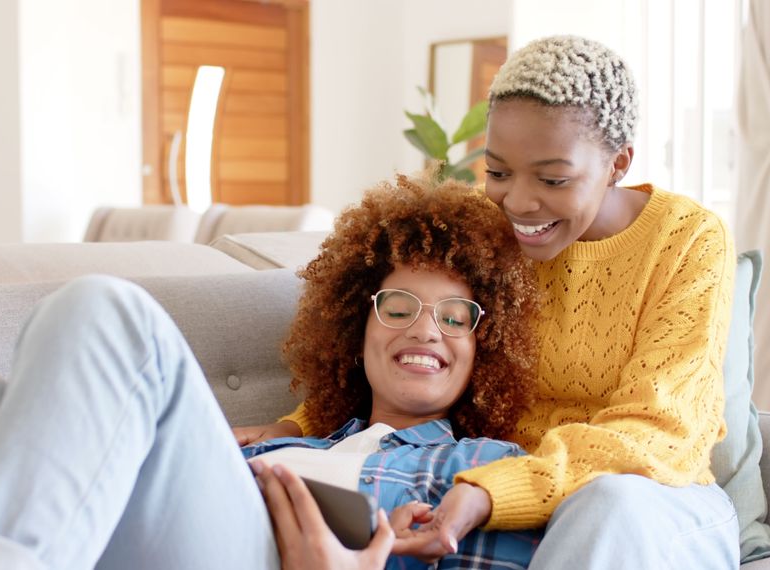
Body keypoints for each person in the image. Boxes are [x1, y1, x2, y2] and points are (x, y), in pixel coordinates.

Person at [0, 174, 541, 569]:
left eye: (455, 317)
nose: (424, 330)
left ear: (486, 349)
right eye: (400, 304)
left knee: (112, 314)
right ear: (358, 323)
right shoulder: (294, 440)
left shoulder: (485, 471)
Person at [236, 35, 741, 569]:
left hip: (652, 496)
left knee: (605, 504)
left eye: (552, 178)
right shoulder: (489, 228)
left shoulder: (686, 240)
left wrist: (493, 491)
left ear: (618, 163)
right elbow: (413, 346)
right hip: (502, 488)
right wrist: (298, 427)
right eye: (498, 172)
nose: (518, 202)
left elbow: (660, 431)